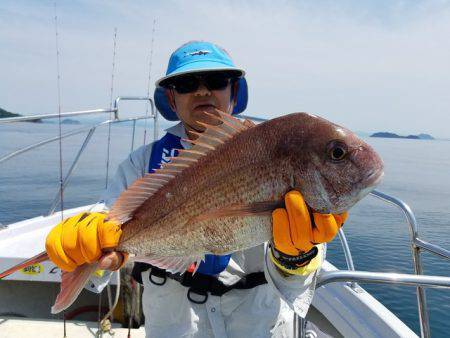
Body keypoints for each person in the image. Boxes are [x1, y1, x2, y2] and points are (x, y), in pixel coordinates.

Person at [46, 41, 347, 337]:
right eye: (187, 83)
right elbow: (107, 219)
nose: (203, 91)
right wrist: (84, 241)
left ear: (235, 91)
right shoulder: (141, 164)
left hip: (256, 327)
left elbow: (296, 283)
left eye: (216, 81)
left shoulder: (275, 153)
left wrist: (294, 257)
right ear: (172, 98)